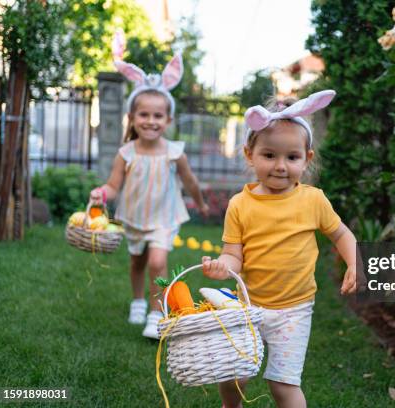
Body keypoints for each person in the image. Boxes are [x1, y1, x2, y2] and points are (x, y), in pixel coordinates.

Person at [201, 90, 357, 408]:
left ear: (307, 158)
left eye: (292, 157)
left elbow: (341, 234)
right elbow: (234, 255)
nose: (280, 166)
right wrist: (223, 266)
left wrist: (354, 261)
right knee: (233, 375)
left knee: (282, 384)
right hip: (249, 304)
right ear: (249, 154)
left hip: (294, 310)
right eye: (269, 155)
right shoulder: (240, 205)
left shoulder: (313, 200)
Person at [90, 54, 209, 339]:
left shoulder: (173, 152)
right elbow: (114, 186)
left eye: (158, 116)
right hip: (134, 216)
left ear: (168, 120)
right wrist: (101, 194)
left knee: (157, 262)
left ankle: (156, 313)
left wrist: (201, 202)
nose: (151, 121)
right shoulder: (127, 153)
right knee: (137, 262)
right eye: (144, 115)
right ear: (132, 117)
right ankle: (138, 300)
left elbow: (190, 181)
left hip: (164, 218)